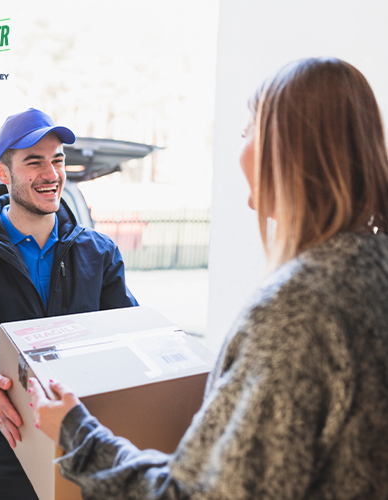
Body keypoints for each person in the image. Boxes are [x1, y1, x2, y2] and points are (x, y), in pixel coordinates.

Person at [29, 58, 388, 499]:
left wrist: (79, 436)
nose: (50, 174)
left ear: (289, 146)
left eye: (248, 129)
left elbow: (203, 493)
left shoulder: (299, 307)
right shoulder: (371, 269)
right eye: (34, 162)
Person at [0, 107, 138, 500]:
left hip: (85, 456)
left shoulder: (99, 254)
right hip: (2, 465)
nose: (51, 175)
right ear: (3, 174)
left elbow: (130, 341)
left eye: (57, 161)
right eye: (34, 162)